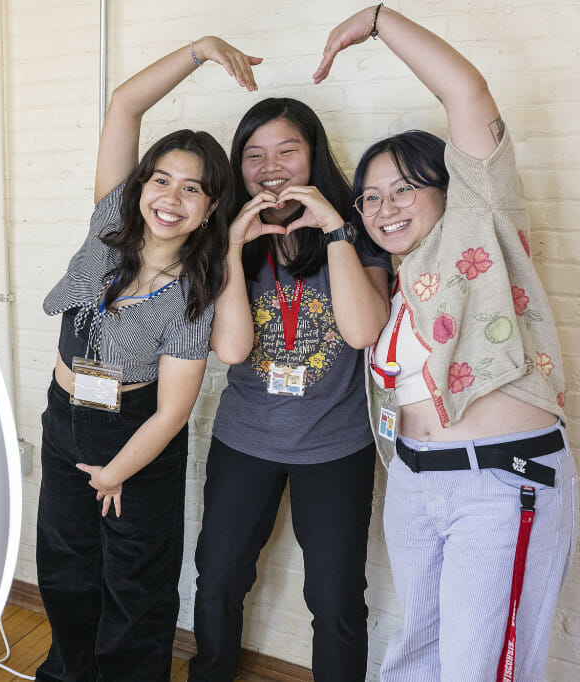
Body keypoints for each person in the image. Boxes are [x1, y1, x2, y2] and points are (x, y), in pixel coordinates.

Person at [315, 6, 578, 681]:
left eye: (405, 188)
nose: (385, 208)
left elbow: (467, 92)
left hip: (501, 480)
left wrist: (376, 20)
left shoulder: (481, 225)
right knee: (417, 655)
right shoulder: (398, 288)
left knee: (480, 666)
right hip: (414, 481)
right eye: (370, 198)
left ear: (450, 185)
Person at [35, 37, 261, 682]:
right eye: (161, 179)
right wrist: (199, 52)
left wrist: (114, 474)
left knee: (137, 585)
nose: (171, 196)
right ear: (141, 185)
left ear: (211, 207)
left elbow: (172, 413)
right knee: (66, 567)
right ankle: (66, 673)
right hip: (64, 417)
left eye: (193, 189)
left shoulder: (198, 289)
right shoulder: (110, 221)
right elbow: (125, 103)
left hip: (135, 436)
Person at [188, 96, 392, 680]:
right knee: (219, 578)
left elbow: (361, 331)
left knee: (335, 599)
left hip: (336, 447)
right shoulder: (227, 241)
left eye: (287, 151)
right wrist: (230, 243)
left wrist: (335, 229)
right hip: (245, 440)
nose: (270, 167)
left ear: (314, 157)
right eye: (254, 155)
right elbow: (232, 350)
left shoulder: (358, 231)